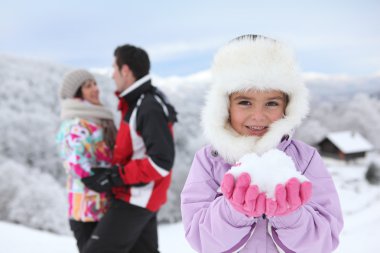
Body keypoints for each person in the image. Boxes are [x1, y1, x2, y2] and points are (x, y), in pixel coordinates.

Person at [181, 35, 344, 253]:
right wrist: (233, 210)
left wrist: (291, 215)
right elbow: (201, 239)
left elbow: (324, 241)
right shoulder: (209, 161)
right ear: (224, 106)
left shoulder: (305, 159)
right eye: (245, 102)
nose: (258, 116)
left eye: (271, 103)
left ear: (288, 107)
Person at [81, 44, 177, 253]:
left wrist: (115, 177)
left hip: (136, 198)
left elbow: (161, 162)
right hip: (140, 196)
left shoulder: (148, 106)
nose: (112, 74)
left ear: (125, 70)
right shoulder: (136, 103)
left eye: (114, 68)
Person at [56, 69, 116, 252]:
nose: (95, 89)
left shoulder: (99, 117)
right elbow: (73, 160)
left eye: (95, 84)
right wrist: (104, 179)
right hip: (85, 212)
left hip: (105, 206)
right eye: (88, 86)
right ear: (77, 93)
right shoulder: (75, 123)